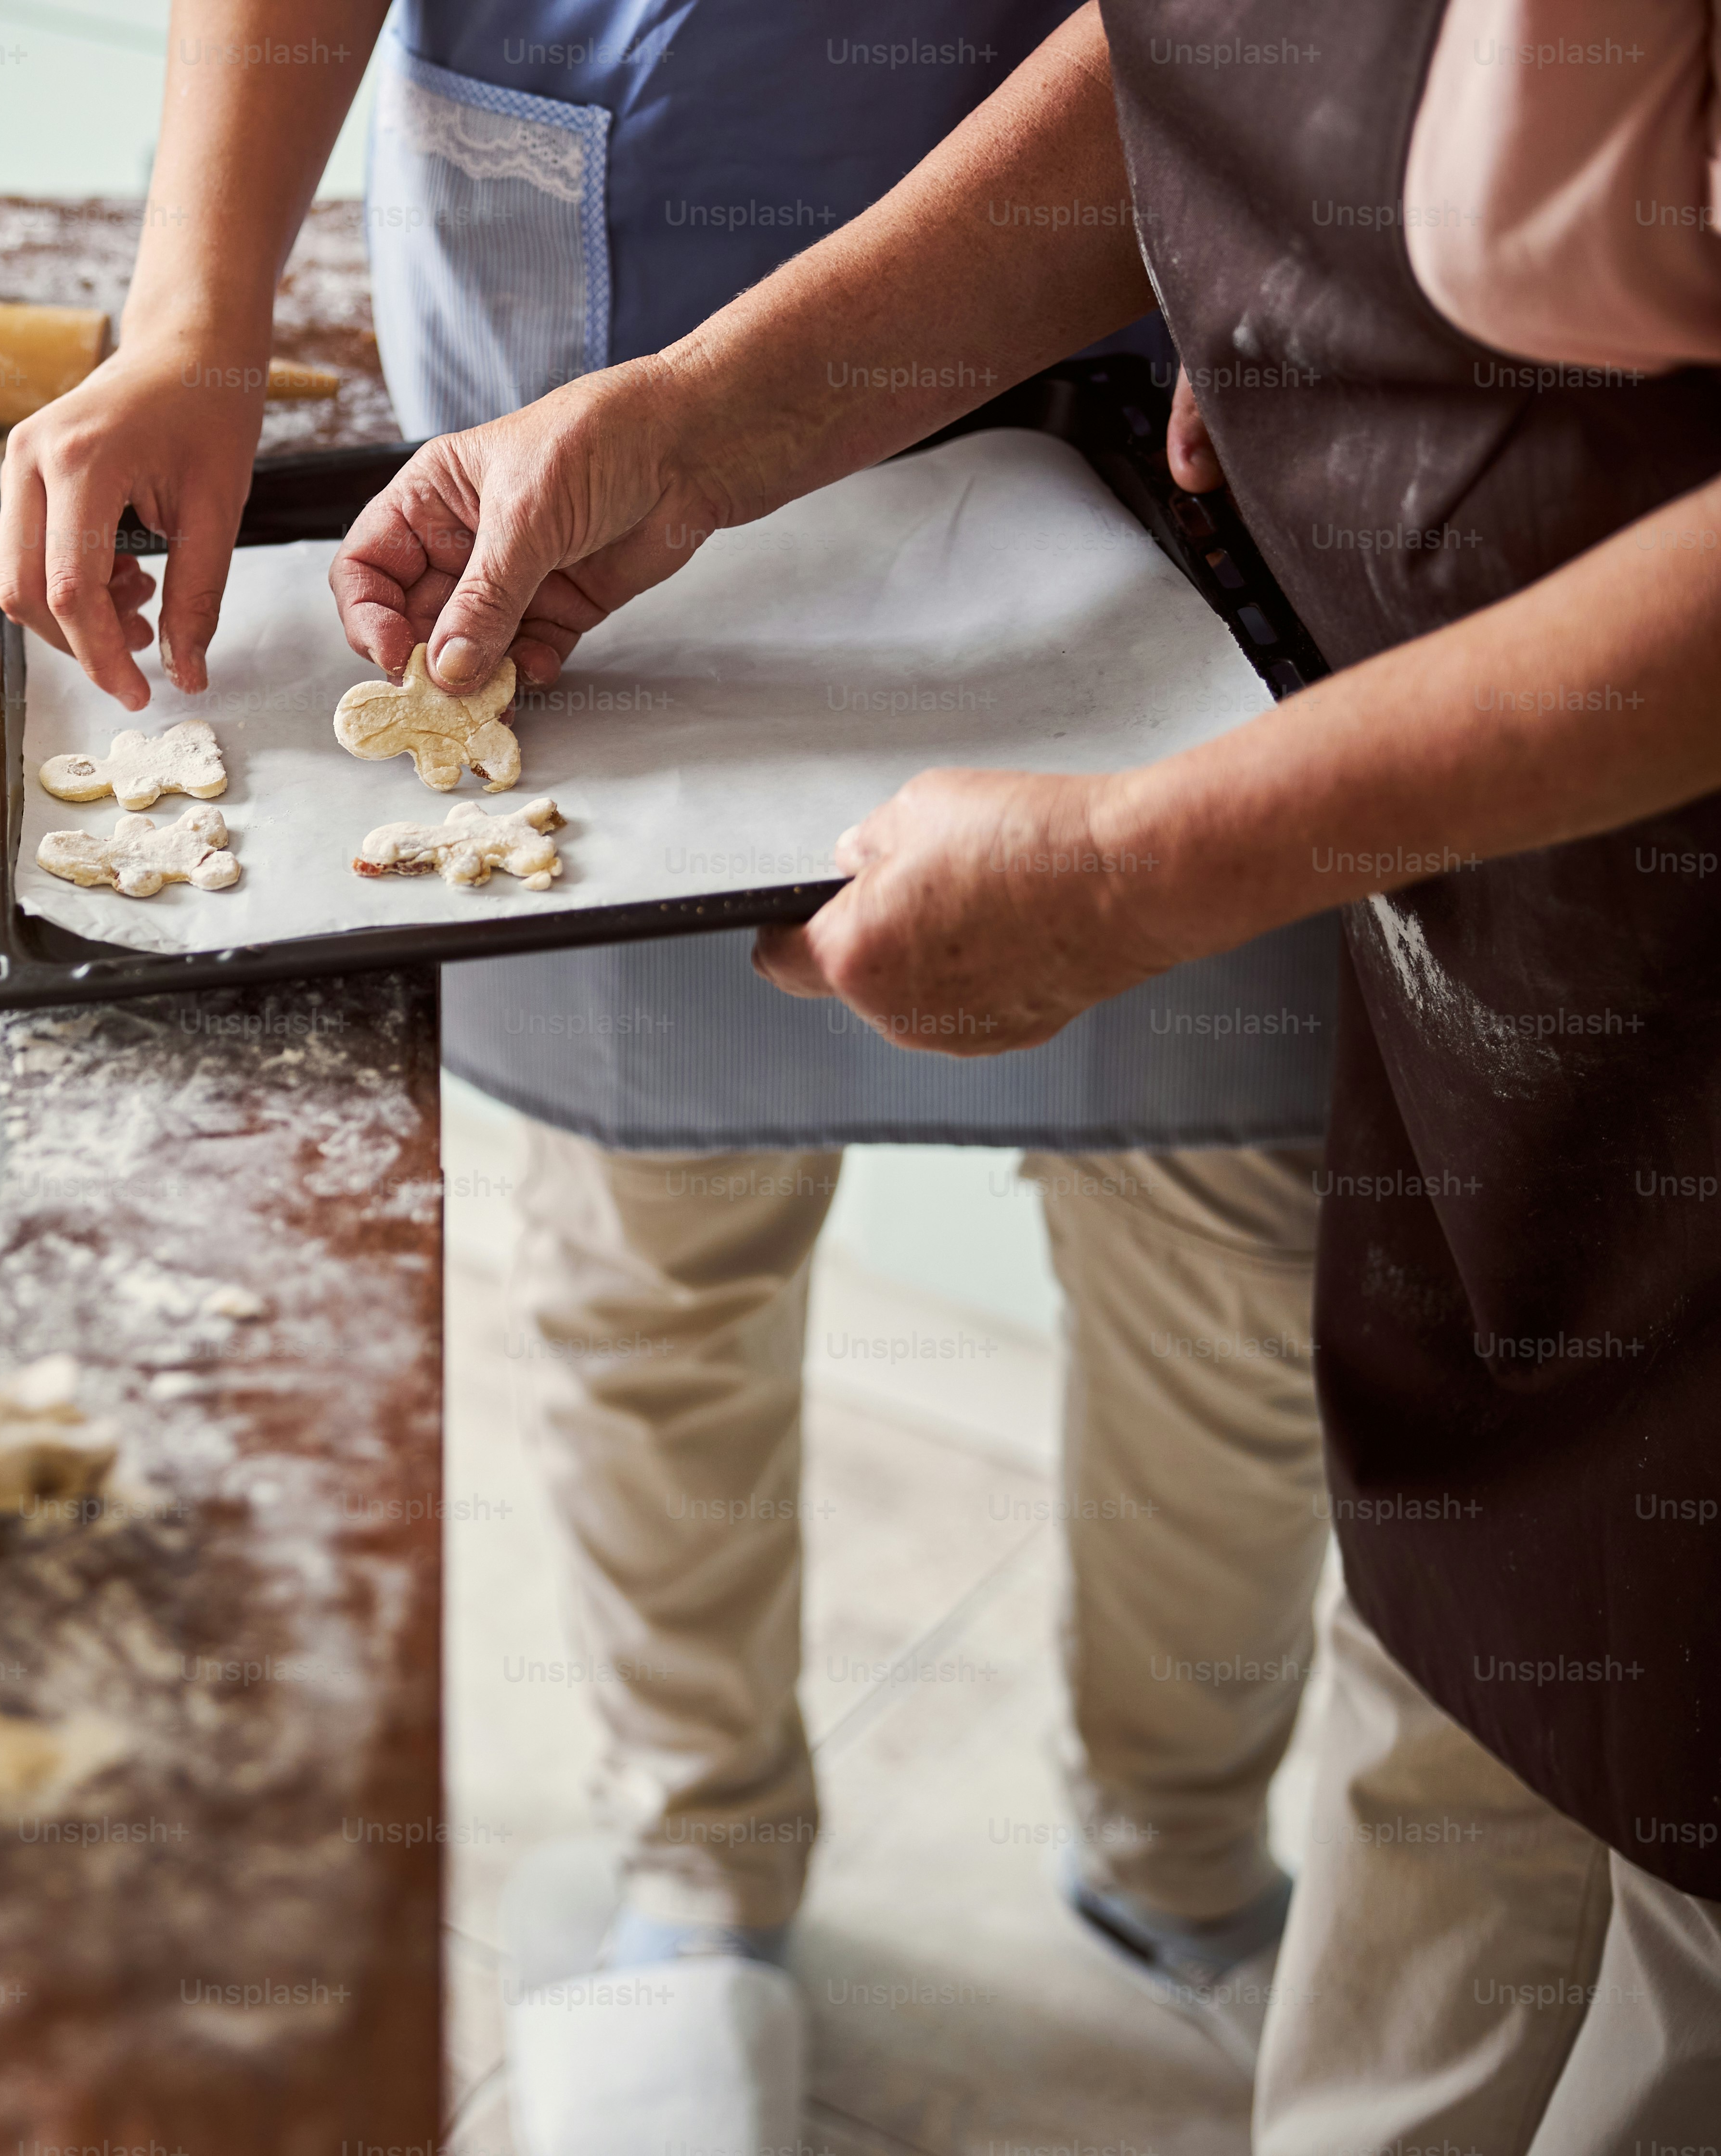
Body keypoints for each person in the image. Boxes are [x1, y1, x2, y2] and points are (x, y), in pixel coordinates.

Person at [324, 1, 1721, 2146]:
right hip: (1506, 952)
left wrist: (1160, 860)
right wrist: (702, 426)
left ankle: (1177, 1843)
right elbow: (1221, 58)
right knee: (1454, 1671)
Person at [0, 2, 1330, 2146]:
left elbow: (1228, 36)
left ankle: (1181, 1835)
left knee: (1234, 1268)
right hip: (585, 313)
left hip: (1142, 343)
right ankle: (698, 1869)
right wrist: (193, 316)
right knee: (651, 1257)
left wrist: (725, 416)